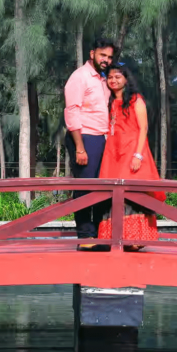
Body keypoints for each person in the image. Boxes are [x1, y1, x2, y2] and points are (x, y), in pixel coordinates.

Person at [96, 64, 165, 249]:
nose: (113, 80)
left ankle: (136, 239)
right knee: (112, 192)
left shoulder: (136, 100)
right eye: (110, 77)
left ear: (126, 79)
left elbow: (144, 129)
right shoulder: (108, 101)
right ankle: (116, 237)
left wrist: (138, 155)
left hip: (132, 151)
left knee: (132, 192)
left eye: (118, 76)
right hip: (113, 152)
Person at [64, 37, 115, 248]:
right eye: (103, 55)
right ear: (92, 53)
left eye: (110, 57)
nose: (106, 60)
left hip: (101, 138)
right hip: (84, 137)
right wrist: (80, 147)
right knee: (85, 187)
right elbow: (72, 111)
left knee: (102, 187)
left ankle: (99, 234)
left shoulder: (103, 79)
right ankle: (85, 236)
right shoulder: (80, 77)